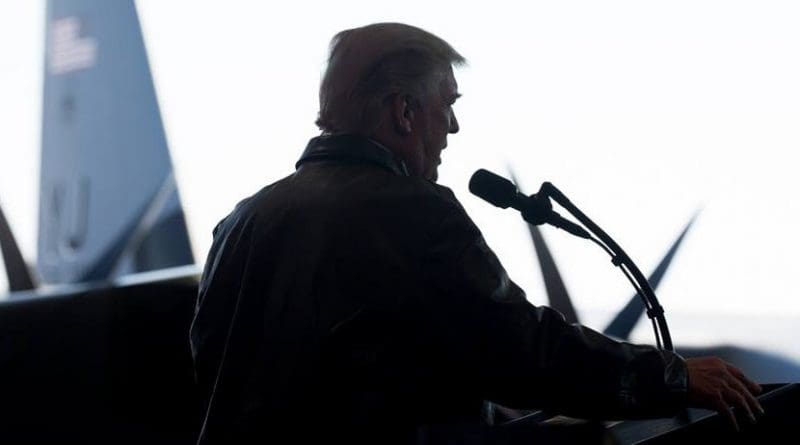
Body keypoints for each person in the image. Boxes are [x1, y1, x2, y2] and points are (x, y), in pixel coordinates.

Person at [189, 22, 763, 444]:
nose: (455, 126)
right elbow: (522, 348)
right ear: (405, 113)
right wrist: (674, 375)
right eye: (448, 105)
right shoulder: (413, 209)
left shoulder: (240, 223)